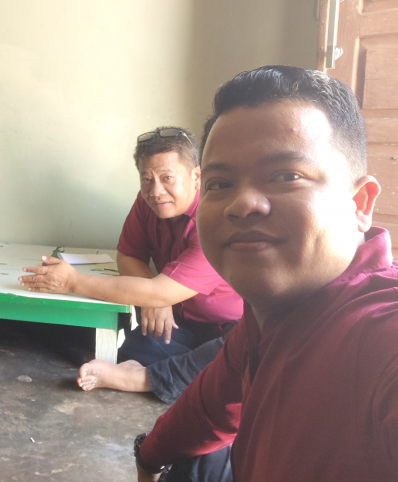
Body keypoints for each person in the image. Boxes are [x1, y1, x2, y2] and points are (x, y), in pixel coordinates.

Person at [135, 66, 398, 481]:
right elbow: (207, 410)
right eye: (220, 184)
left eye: (287, 176)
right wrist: (149, 457)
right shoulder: (268, 317)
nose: (243, 204)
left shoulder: (379, 333)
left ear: (360, 203)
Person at [19, 127, 242, 378]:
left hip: (228, 326)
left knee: (234, 359)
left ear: (197, 177)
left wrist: (72, 282)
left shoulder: (215, 220)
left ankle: (138, 379)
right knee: (131, 347)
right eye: (147, 179)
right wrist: (153, 297)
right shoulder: (149, 203)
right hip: (181, 321)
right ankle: (176, 375)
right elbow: (128, 255)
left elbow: (161, 292)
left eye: (167, 178)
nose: (155, 191)